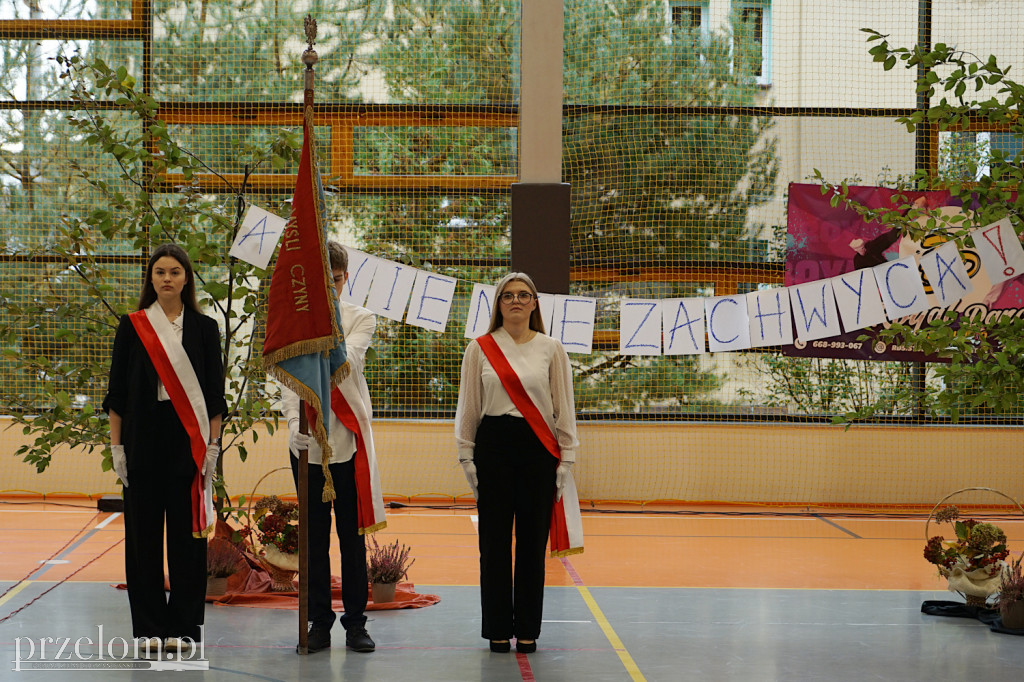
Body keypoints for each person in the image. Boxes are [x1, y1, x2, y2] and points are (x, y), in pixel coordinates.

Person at [103, 243, 227, 654]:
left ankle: (185, 626)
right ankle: (149, 628)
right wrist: (116, 448)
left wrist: (212, 447)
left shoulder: (205, 329)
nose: (167, 278)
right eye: (159, 272)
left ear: (186, 278)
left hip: (187, 445)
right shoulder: (132, 325)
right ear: (150, 279)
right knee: (143, 542)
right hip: (141, 444)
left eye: (174, 271)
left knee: (188, 540)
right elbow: (116, 395)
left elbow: (213, 396)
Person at [454, 272, 582, 654]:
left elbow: (564, 407)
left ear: (534, 303)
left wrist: (567, 457)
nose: (515, 301)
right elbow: (469, 406)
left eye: (523, 295)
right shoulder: (479, 348)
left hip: (537, 450)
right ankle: (496, 628)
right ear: (498, 304)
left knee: (531, 545)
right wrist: (466, 453)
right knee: (492, 545)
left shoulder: (551, 348)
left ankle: (527, 630)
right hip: (492, 447)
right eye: (507, 295)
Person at [281, 240, 386, 654]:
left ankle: (356, 622)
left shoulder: (361, 318)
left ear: (345, 279)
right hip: (307, 441)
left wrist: (317, 325)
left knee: (352, 536)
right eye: (321, 280)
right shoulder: (295, 322)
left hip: (348, 441)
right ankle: (319, 622)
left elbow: (347, 363)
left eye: (336, 280)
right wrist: (292, 423)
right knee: (313, 539)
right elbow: (290, 381)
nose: (329, 287)